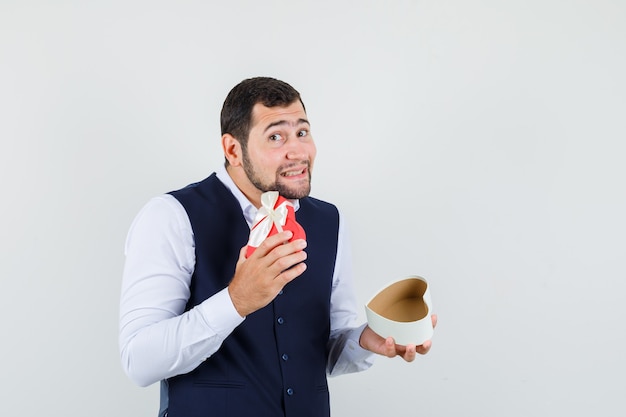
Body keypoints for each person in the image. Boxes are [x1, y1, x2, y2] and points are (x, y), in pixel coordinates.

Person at [119, 77, 436, 417]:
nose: (298, 151)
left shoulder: (329, 220)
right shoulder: (171, 216)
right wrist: (236, 301)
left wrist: (367, 340)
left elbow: (326, 351)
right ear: (232, 150)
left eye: (302, 132)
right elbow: (139, 361)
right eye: (275, 136)